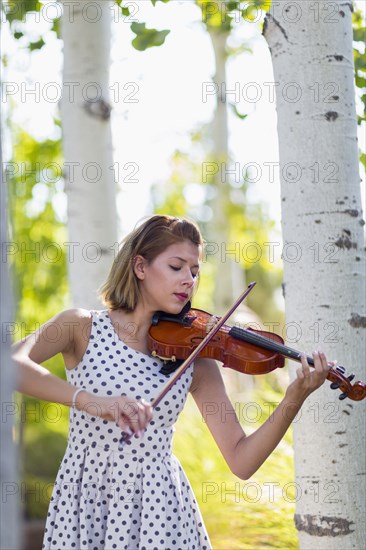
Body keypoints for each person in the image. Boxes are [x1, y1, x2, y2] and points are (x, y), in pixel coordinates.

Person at [13, 214, 332, 550]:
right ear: (140, 267)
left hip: (160, 512)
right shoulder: (81, 327)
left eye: (195, 271)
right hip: (87, 499)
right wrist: (96, 403)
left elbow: (242, 461)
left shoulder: (196, 356)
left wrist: (294, 397)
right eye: (177, 267)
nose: (188, 280)